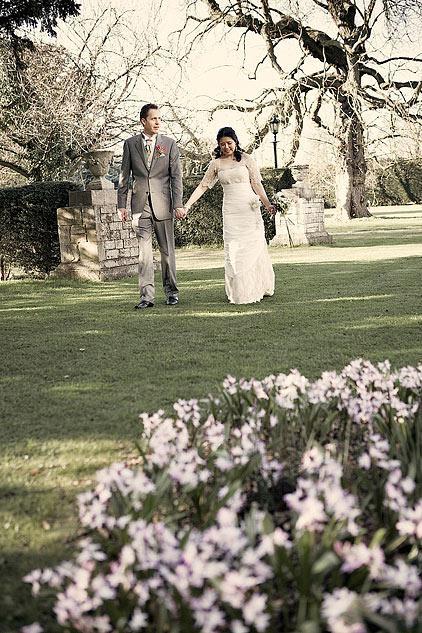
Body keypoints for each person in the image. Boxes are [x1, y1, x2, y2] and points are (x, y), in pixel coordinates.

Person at [184, 127, 276, 304]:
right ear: (218, 145)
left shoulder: (247, 159)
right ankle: (240, 290)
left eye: (229, 143)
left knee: (253, 246)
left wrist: (267, 204)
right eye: (222, 144)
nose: (226, 147)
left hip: (249, 208)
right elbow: (203, 186)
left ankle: (259, 285)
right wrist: (187, 205)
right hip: (231, 211)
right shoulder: (216, 164)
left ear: (236, 142)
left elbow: (256, 184)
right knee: (235, 250)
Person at [117, 103, 185, 309]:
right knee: (144, 254)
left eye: (159, 119)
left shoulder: (170, 144)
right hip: (139, 206)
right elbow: (124, 177)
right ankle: (146, 297)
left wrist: (178, 204)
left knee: (167, 252)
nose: (157, 122)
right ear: (143, 121)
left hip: (164, 205)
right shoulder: (130, 144)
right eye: (153, 118)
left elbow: (176, 178)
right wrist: (122, 205)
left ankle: (171, 292)